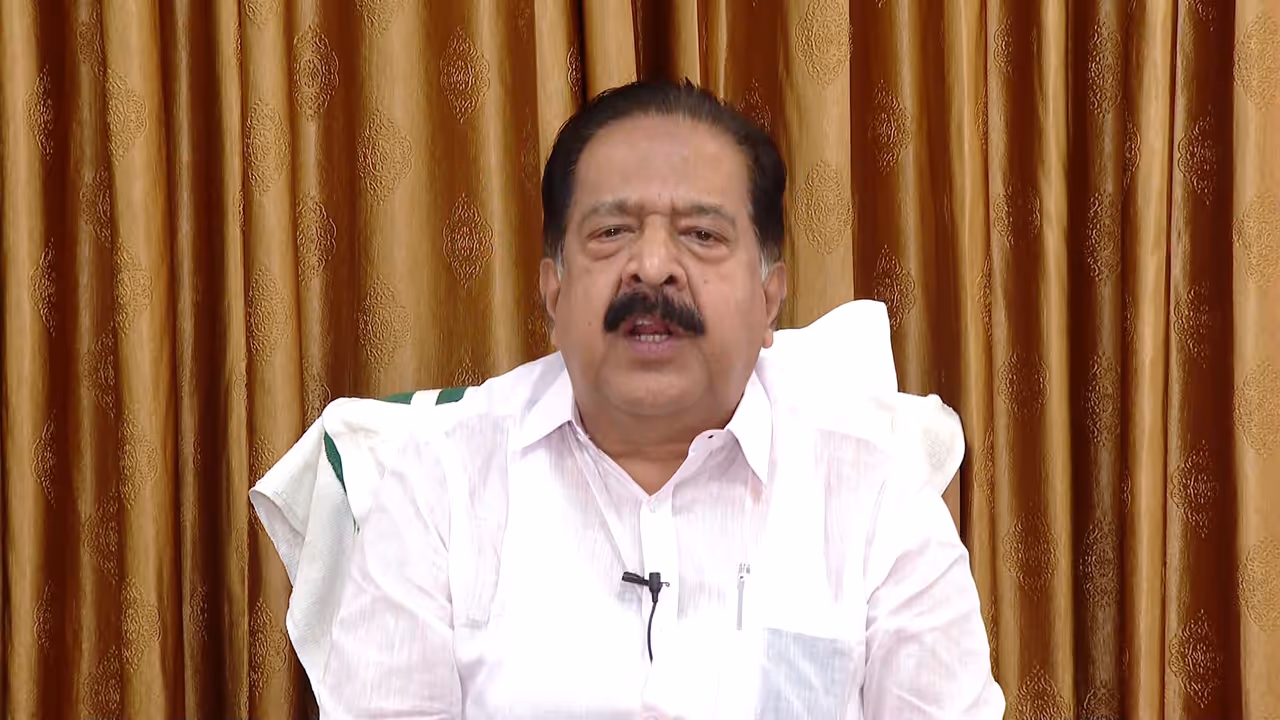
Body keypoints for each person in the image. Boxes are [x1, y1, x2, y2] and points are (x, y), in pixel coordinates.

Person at [319, 80, 1005, 719]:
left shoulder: (876, 495)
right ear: (553, 292)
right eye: (611, 232)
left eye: (702, 235)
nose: (652, 267)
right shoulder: (437, 486)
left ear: (769, 298)